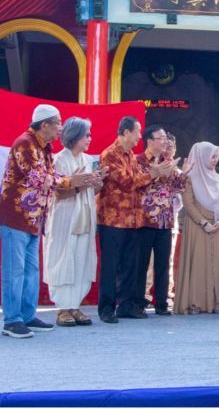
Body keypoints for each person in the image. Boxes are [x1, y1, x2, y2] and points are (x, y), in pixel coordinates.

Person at [0, 104, 93, 338]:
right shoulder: (24, 144)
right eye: (58, 123)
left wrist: (73, 181)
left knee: (31, 270)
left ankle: (27, 315)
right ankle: (12, 320)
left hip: (34, 218)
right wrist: (72, 182)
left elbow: (51, 176)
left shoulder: (45, 147)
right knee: (15, 270)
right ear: (45, 125)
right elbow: (40, 178)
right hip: (15, 216)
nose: (61, 128)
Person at [43, 117, 105, 327]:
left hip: (85, 216)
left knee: (81, 259)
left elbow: (92, 190)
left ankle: (75, 306)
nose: (90, 138)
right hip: (65, 218)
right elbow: (57, 192)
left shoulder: (88, 160)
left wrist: (97, 183)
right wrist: (78, 184)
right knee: (63, 258)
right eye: (86, 135)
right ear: (75, 136)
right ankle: (62, 308)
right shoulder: (59, 159)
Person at [97, 116, 154, 323]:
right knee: (111, 266)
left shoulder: (130, 155)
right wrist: (152, 173)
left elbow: (140, 180)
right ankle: (106, 308)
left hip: (132, 220)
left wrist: (153, 174)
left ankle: (126, 305)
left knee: (130, 265)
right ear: (126, 132)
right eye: (138, 132)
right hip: (112, 220)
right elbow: (128, 182)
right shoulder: (109, 155)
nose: (140, 136)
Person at [136, 124, 191, 316]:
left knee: (163, 262)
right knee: (142, 262)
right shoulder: (139, 161)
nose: (165, 142)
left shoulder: (167, 161)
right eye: (161, 138)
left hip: (166, 219)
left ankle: (161, 301)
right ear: (150, 141)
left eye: (166, 139)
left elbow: (178, 187)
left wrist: (183, 173)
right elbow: (135, 184)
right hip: (144, 219)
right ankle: (140, 300)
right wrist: (155, 172)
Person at [174, 141, 219, 315]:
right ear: (202, 156)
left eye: (216, 156)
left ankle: (218, 301)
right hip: (197, 226)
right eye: (211, 156)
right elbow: (188, 204)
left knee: (217, 264)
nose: (214, 160)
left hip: (217, 226)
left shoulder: (217, 178)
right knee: (198, 263)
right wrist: (203, 222)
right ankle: (195, 302)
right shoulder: (191, 177)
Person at [145, 133, 183, 305]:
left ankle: (166, 294)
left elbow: (182, 192)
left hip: (170, 220)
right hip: (150, 220)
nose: (168, 149)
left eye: (171, 147)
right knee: (148, 259)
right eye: (165, 145)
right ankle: (145, 293)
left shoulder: (178, 171)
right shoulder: (151, 165)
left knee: (167, 258)